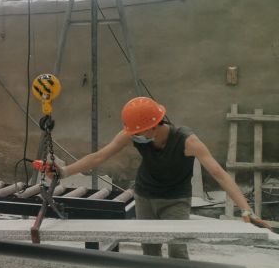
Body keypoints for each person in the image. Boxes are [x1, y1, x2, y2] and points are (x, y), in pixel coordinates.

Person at [57, 97, 272, 259]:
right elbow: (99, 156)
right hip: (145, 196)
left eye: (138, 133)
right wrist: (64, 172)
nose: (134, 137)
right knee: (150, 247)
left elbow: (219, 174)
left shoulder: (187, 141)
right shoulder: (134, 134)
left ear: (153, 127)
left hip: (176, 199)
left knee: (177, 247)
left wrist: (246, 210)